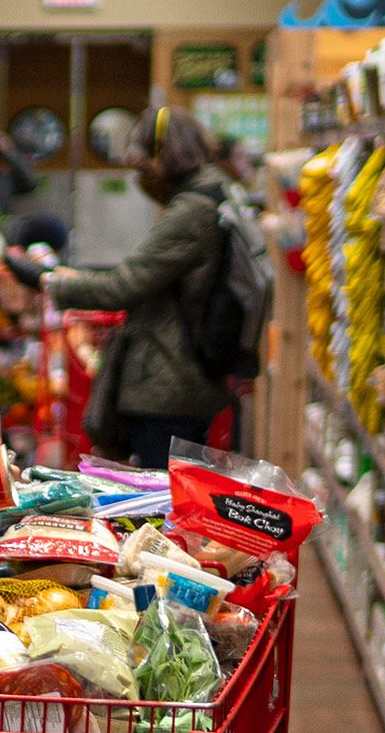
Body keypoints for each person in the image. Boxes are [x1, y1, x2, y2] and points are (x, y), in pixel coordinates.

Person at [13, 106, 240, 469]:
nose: (140, 178)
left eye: (141, 166)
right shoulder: (217, 197)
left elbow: (123, 286)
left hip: (167, 385)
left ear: (163, 157)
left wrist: (46, 281)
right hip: (192, 380)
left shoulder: (192, 211)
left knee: (159, 503)